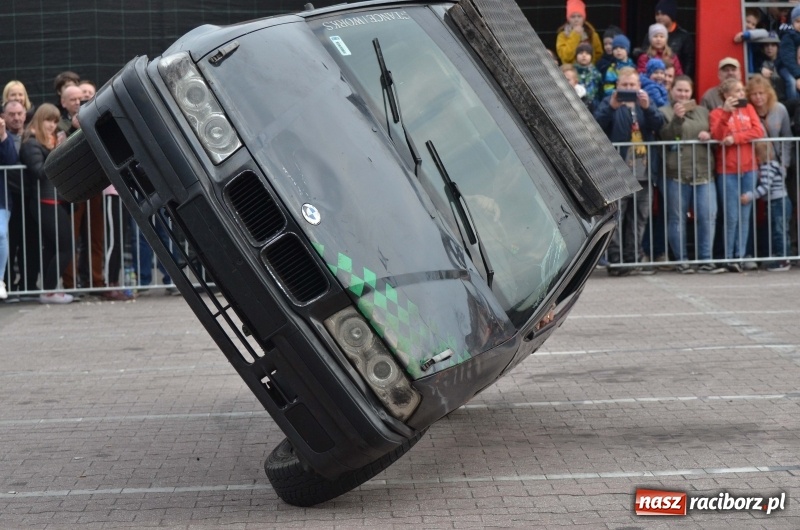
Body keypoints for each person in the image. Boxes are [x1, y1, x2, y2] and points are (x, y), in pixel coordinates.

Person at [594, 67, 664, 275]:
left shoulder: (645, 102)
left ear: (639, 86)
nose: (628, 88)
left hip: (644, 170)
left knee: (640, 216)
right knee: (618, 216)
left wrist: (649, 107)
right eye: (625, 85)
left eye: (632, 85)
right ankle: (616, 260)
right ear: (617, 86)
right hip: (618, 171)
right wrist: (612, 107)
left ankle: (633, 258)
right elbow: (596, 124)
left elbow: (659, 124)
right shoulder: (609, 102)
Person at [658, 76, 723, 274]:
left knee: (707, 216)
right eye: (679, 90)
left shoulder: (703, 111)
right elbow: (666, 136)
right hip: (676, 172)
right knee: (677, 219)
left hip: (703, 171)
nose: (683, 94)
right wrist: (677, 118)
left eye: (686, 91)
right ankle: (682, 260)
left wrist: (711, 135)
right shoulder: (664, 112)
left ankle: (706, 259)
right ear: (672, 90)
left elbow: (717, 130)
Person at [18, 103, 73, 303]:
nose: (53, 125)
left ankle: (49, 289)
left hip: (52, 200)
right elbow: (40, 172)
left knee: (53, 247)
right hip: (44, 201)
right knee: (65, 247)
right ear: (40, 120)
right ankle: (49, 291)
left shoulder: (41, 142)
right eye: (49, 120)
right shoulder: (32, 143)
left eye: (55, 121)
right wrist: (56, 151)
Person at [710, 78, 765, 272]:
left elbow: (758, 130)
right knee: (731, 216)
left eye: (742, 91)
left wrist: (736, 138)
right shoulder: (717, 113)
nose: (742, 94)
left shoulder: (749, 109)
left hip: (749, 168)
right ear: (727, 95)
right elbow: (717, 135)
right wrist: (726, 113)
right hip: (727, 170)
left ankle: (740, 256)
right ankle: (728, 257)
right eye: (737, 91)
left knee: (745, 215)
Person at [745, 74, 793, 265]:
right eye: (754, 94)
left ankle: (782, 257)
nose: (758, 97)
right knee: (770, 216)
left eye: (761, 93)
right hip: (756, 164)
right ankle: (767, 253)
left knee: (779, 217)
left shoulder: (779, 109)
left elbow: (787, 137)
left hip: (777, 164)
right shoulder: (749, 111)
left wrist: (785, 164)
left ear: (768, 93)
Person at [1, 100, 39, 298]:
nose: (16, 118)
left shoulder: (32, 135)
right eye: (11, 114)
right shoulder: (3, 137)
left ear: (25, 115)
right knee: (8, 242)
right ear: (4, 116)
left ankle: (29, 284)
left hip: (30, 196)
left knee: (31, 242)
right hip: (8, 198)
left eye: (19, 113)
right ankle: (7, 285)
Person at [740, 141, 793, 271]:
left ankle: (783, 260)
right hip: (780, 201)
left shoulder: (767, 168)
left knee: (779, 231)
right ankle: (782, 256)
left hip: (778, 202)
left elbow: (764, 188)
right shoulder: (775, 165)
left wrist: (749, 196)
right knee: (779, 230)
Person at [648, 0, 695, 79]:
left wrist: (683, 80)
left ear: (671, 15)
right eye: (657, 14)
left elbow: (689, 62)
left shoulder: (683, 36)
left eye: (663, 14)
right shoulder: (650, 34)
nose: (659, 17)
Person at [556, 0, 602, 66]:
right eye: (573, 17)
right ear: (568, 19)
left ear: (583, 19)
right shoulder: (562, 36)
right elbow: (565, 57)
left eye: (579, 16)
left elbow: (598, 53)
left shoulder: (592, 34)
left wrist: (589, 64)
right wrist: (575, 35)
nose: (576, 20)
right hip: (570, 72)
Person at [777, 5, 800, 101]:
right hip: (786, 67)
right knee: (791, 81)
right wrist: (798, 76)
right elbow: (788, 58)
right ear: (792, 22)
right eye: (798, 21)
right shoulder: (788, 36)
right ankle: (794, 106)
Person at [573, 42, 602, 109]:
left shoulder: (596, 73)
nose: (584, 55)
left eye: (587, 53)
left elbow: (600, 91)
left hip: (593, 105)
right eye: (581, 53)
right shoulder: (572, 72)